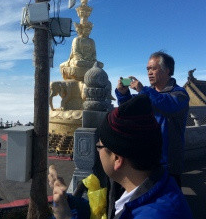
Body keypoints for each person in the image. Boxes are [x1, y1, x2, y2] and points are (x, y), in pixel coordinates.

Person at [49, 94, 191, 219]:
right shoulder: (146, 187)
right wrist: (67, 202)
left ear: (117, 159)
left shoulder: (156, 214)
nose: (98, 152)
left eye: (99, 146)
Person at [115, 51, 189, 185]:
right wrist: (123, 93)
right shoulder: (148, 93)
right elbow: (129, 109)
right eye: (148, 69)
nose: (149, 72)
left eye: (154, 68)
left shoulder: (179, 94)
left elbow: (167, 105)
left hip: (168, 161)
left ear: (167, 70)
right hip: (148, 157)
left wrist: (143, 90)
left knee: (170, 201)